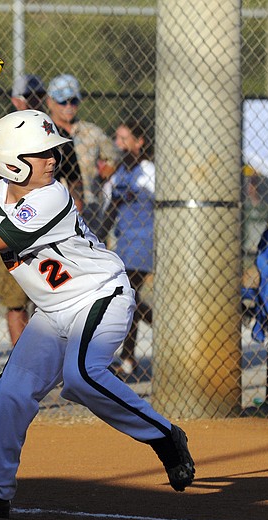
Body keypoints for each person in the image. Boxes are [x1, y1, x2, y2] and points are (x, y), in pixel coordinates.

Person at [0, 109, 195, 520]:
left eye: (52, 152)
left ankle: (165, 437)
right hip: (54, 310)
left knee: (81, 376)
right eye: (42, 153)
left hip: (101, 295)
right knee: (10, 391)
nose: (53, 159)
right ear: (12, 162)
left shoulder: (52, 195)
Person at [0, 74, 82, 346]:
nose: (33, 101)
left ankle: (46, 362)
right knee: (15, 303)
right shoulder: (2, 136)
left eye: (38, 96)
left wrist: (71, 218)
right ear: (15, 100)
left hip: (47, 230)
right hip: (6, 221)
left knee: (55, 305)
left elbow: (76, 183)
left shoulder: (55, 137)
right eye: (28, 97)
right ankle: (21, 359)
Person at [105, 119, 154, 377]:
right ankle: (162, 324)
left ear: (139, 142)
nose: (119, 144)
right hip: (124, 244)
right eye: (117, 139)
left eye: (125, 139)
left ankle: (128, 358)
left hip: (145, 241)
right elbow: (110, 206)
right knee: (128, 298)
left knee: (129, 295)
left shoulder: (148, 171)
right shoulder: (120, 172)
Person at [46, 74, 118, 241]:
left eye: (74, 101)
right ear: (50, 102)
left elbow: (114, 155)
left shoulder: (91, 132)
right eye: (62, 101)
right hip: (52, 208)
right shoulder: (44, 131)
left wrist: (103, 175)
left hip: (88, 209)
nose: (69, 106)